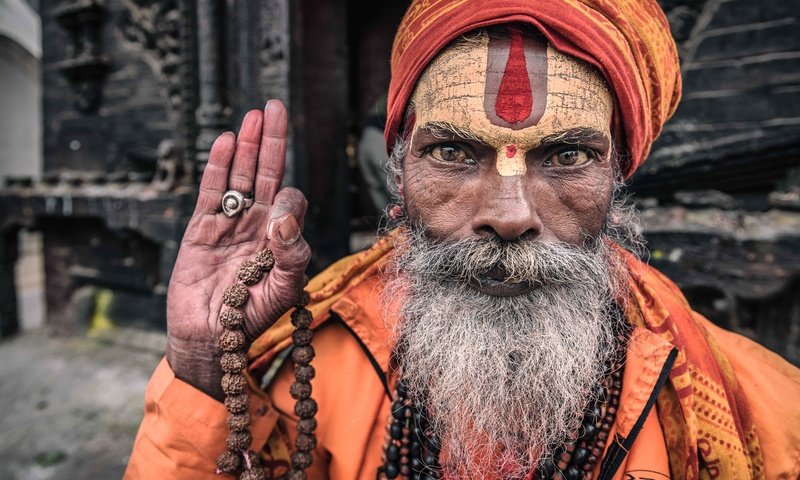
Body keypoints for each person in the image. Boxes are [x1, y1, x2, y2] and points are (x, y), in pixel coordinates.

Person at [125, 1, 800, 479]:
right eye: (452, 151)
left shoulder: (767, 417)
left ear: (618, 177)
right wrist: (202, 367)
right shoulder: (312, 368)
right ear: (399, 174)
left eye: (567, 156)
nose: (508, 215)